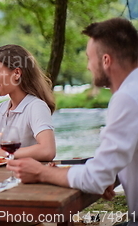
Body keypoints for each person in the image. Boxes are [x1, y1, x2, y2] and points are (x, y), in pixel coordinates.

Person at [9, 18, 138, 226]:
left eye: (89, 58)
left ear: (106, 60)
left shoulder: (126, 98)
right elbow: (114, 162)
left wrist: (42, 172)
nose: (88, 66)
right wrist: (109, 173)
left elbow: (95, 178)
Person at [0, 44, 56, 161]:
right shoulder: (1, 109)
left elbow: (48, 150)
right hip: (3, 178)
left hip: (26, 178)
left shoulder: (35, 106)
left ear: (16, 73)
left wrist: (5, 153)